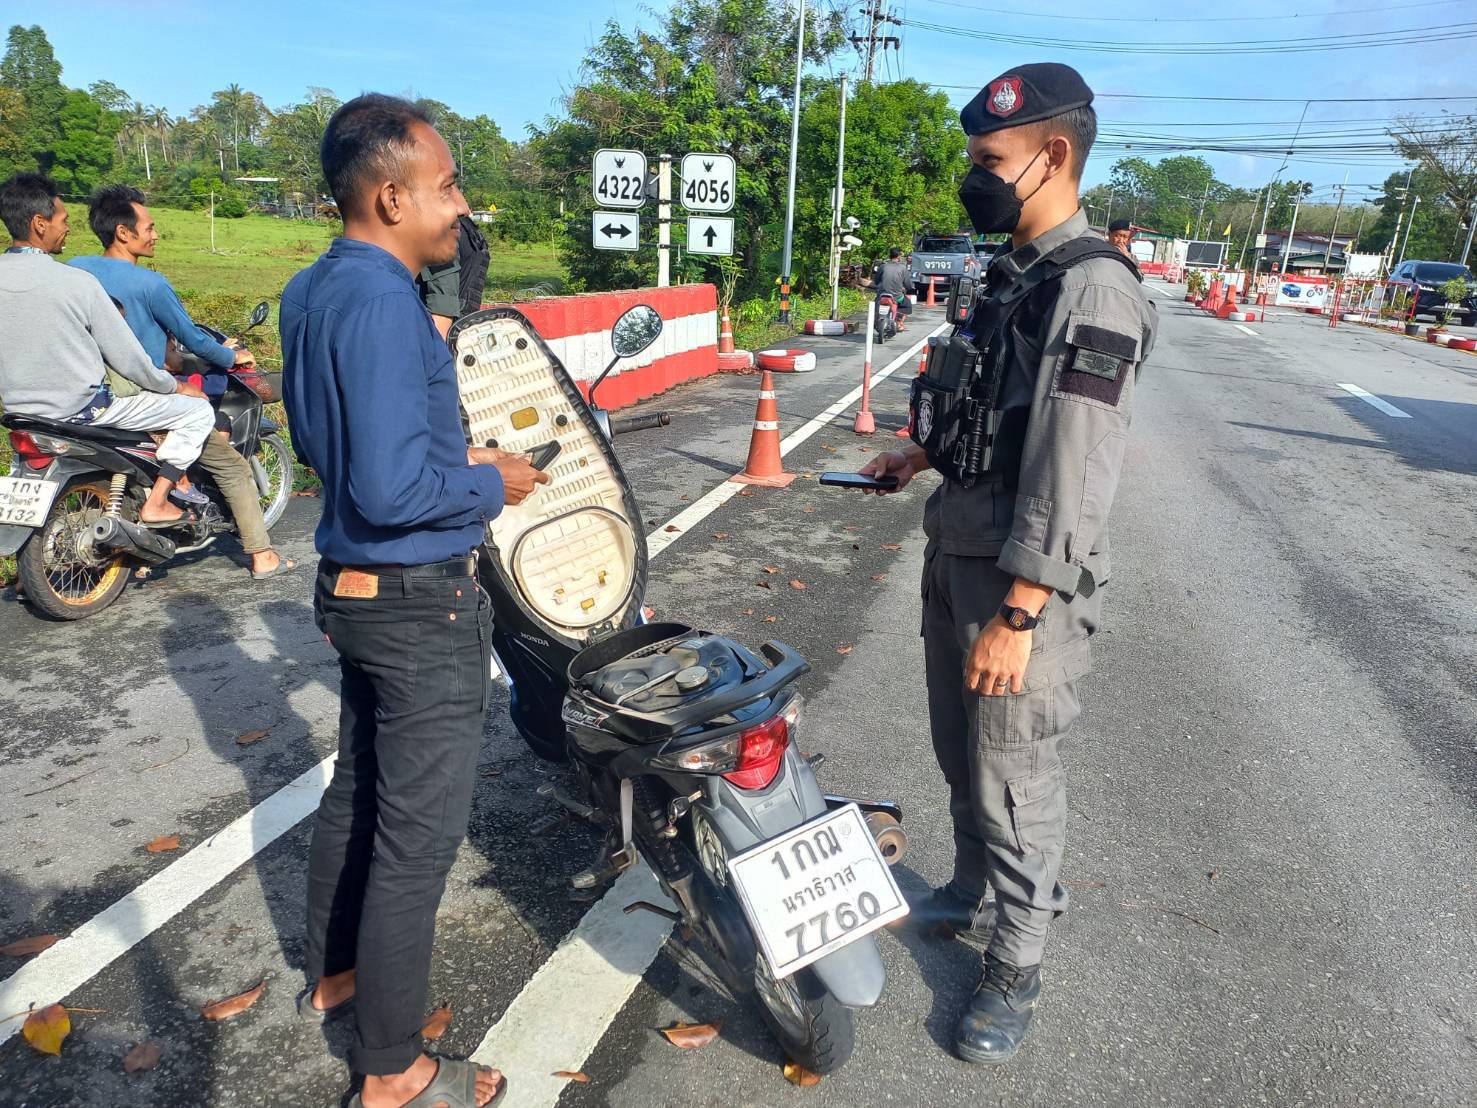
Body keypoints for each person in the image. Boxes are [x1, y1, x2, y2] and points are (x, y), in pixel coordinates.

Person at [859, 63, 1155, 1065]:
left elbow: (1075, 465)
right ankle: (973, 887)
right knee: (962, 750)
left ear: (1052, 155)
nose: (973, 177)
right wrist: (920, 453)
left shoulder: (1091, 289)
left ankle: (1016, 960)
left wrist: (1021, 610)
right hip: (958, 544)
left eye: (989, 159)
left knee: (1013, 774)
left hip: (1019, 578)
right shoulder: (1016, 273)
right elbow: (993, 403)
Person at [281, 94, 548, 1108]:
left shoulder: (313, 289)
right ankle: (392, 1069)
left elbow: (347, 449)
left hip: (350, 587)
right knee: (416, 837)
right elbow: (396, 490)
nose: (460, 206)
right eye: (447, 186)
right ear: (391, 197)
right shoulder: (388, 304)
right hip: (414, 598)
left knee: (358, 790)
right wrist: (492, 480)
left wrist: (450, 452)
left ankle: (338, 977)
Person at [70, 184, 295, 579]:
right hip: (144, 394)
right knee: (232, 468)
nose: (156, 235)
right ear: (123, 232)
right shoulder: (150, 284)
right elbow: (192, 338)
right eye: (150, 227)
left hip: (88, 393)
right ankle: (263, 556)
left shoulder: (76, 270)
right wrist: (232, 356)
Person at [0, 173, 213, 528]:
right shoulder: (77, 283)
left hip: (20, 413)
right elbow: (128, 358)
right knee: (197, 412)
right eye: (63, 220)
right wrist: (175, 386)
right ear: (39, 224)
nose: (67, 228)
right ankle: (158, 501)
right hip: (83, 410)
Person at [419, 212, 491, 339]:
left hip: (451, 334)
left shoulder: (440, 228)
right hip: (458, 333)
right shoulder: (461, 226)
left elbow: (443, 312)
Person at [872, 247, 913, 331]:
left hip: (882, 295)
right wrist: (910, 288)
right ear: (898, 256)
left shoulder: (883, 266)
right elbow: (908, 284)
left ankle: (876, 319)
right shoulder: (903, 268)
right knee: (907, 303)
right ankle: (899, 323)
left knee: (876, 302)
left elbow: (876, 281)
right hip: (897, 296)